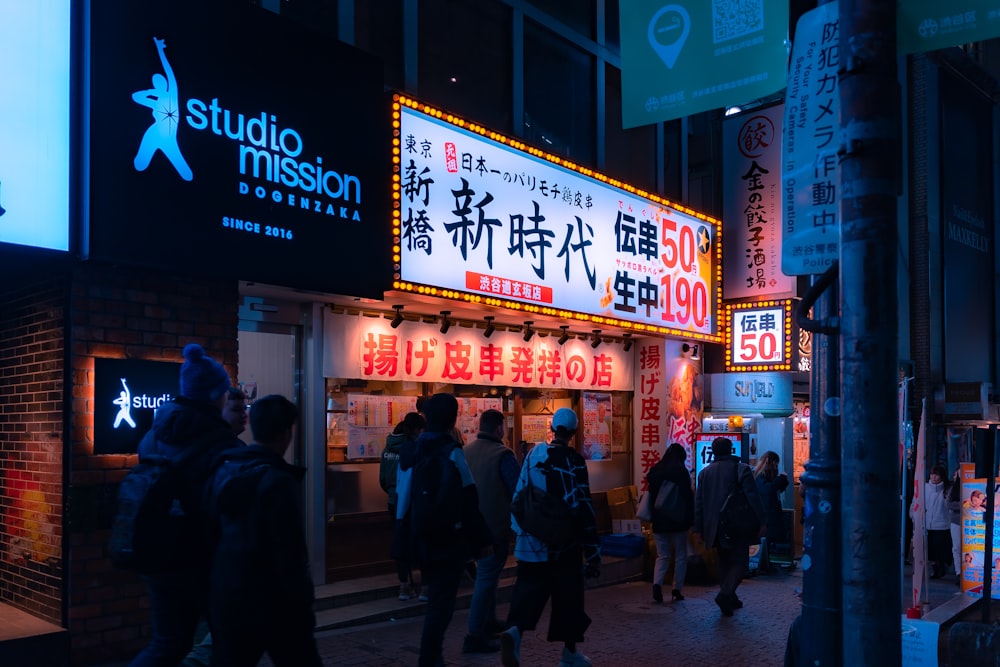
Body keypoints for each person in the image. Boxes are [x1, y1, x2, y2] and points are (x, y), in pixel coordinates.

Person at [129, 343, 243, 667]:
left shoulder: (155, 433)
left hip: (155, 549)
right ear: (213, 395)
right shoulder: (217, 441)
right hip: (199, 558)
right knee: (222, 639)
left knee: (168, 642)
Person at [207, 395, 321, 667]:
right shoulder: (277, 481)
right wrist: (302, 604)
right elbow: (289, 553)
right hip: (274, 603)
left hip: (228, 596)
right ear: (286, 434)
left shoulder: (225, 469)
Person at [500, 407, 601, 667]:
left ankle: (515, 632)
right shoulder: (574, 461)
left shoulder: (534, 455)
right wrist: (593, 551)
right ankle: (569, 653)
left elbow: (519, 494)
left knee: (528, 591)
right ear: (574, 433)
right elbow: (583, 506)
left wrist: (520, 532)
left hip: (531, 541)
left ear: (553, 429)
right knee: (568, 597)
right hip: (563, 545)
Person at [396, 393, 491, 667]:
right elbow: (469, 497)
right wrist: (482, 539)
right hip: (449, 539)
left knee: (435, 599)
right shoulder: (452, 451)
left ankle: (431, 656)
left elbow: (404, 495)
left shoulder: (413, 450)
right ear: (453, 420)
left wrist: (402, 535)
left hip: (420, 536)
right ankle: (430, 657)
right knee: (441, 603)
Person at [181, 386, 250, 667]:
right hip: (213, 556)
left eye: (245, 409)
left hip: (197, 555)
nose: (244, 416)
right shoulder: (228, 452)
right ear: (219, 410)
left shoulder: (193, 444)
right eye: (236, 409)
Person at [462, 409, 521, 653]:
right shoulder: (503, 455)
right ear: (499, 429)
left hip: (470, 529)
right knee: (487, 579)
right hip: (494, 528)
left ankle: (489, 621)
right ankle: (474, 635)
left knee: (488, 576)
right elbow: (518, 489)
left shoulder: (464, 452)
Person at [692, 436, 764, 617]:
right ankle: (726, 593)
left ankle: (730, 596)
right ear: (731, 450)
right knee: (740, 562)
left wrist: (699, 529)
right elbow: (753, 498)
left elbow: (699, 504)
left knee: (724, 561)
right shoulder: (741, 470)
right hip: (737, 525)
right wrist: (762, 521)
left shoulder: (704, 473)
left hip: (713, 527)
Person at [381, 411, 425, 601]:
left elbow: (382, 479)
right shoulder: (414, 449)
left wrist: (391, 491)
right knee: (419, 542)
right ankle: (423, 587)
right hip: (413, 503)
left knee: (401, 543)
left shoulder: (387, 449)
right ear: (417, 430)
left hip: (394, 501)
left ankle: (404, 586)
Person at [645, 442, 694, 603]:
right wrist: (691, 520)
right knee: (680, 555)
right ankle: (676, 589)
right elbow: (688, 497)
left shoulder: (656, 470)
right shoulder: (681, 472)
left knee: (662, 555)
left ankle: (657, 585)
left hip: (659, 520)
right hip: (678, 520)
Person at [911, 464, 952, 579]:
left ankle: (941, 568)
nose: (934, 477)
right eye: (932, 474)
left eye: (937, 475)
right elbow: (915, 503)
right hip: (926, 523)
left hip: (942, 524)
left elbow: (948, 506)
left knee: (939, 547)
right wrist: (914, 516)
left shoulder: (947, 489)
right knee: (929, 550)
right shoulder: (924, 488)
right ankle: (935, 570)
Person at [754, 451, 790, 561]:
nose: (776, 466)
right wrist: (781, 479)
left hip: (770, 512)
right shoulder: (761, 477)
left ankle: (767, 561)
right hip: (767, 514)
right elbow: (769, 490)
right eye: (775, 463)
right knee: (769, 537)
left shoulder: (762, 476)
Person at [948, 470, 962, 581]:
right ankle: (958, 572)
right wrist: (964, 504)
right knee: (956, 547)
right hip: (956, 521)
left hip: (972, 520)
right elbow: (949, 504)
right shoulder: (954, 488)